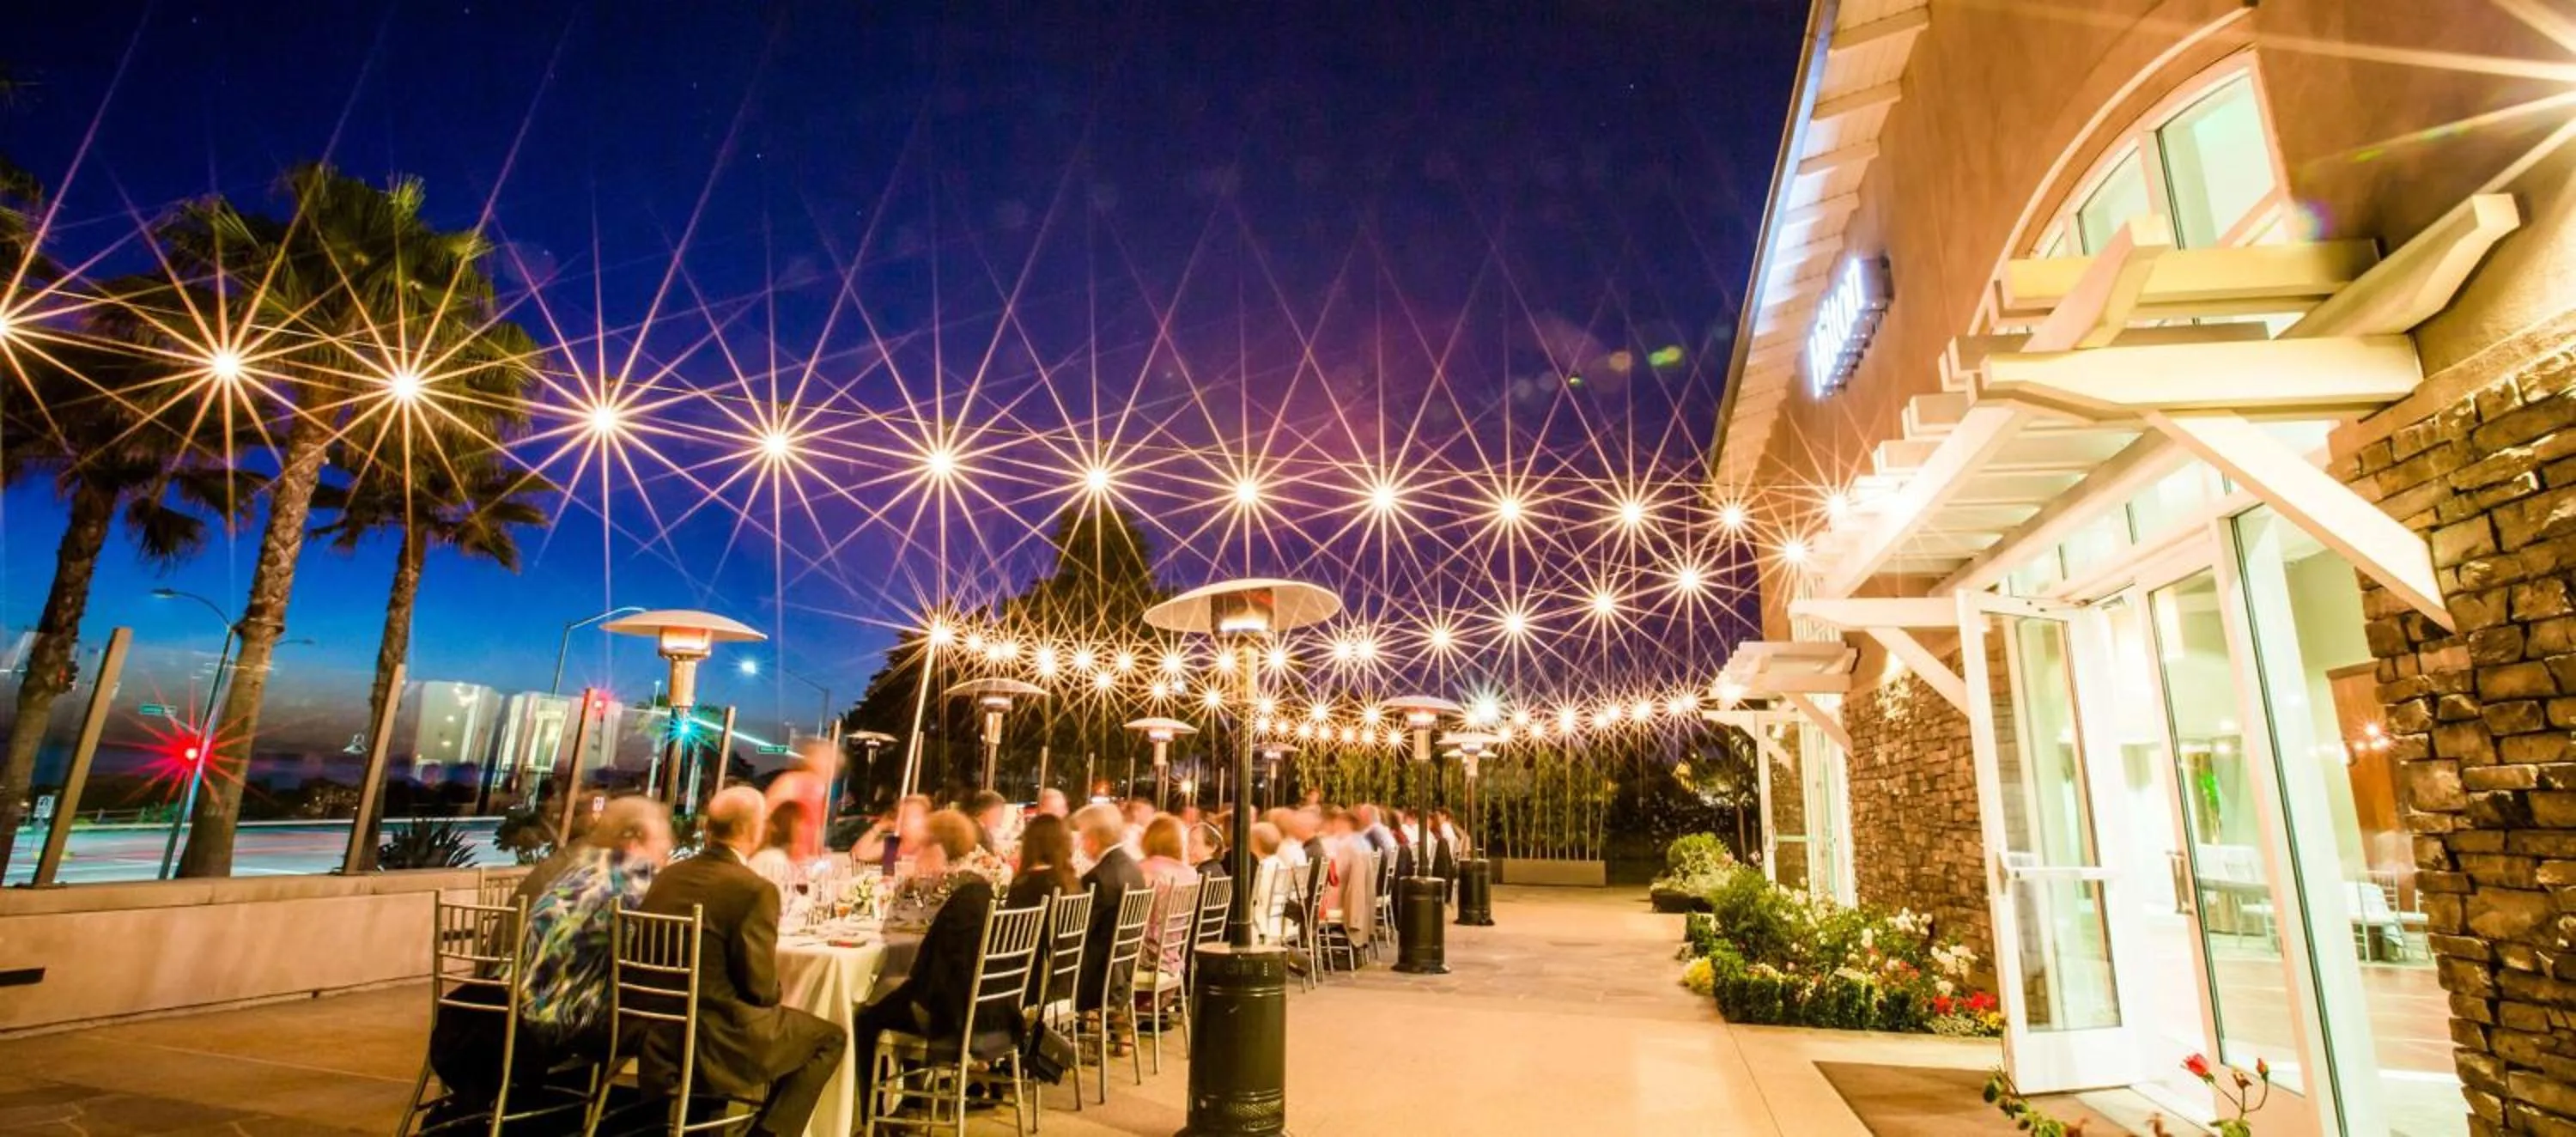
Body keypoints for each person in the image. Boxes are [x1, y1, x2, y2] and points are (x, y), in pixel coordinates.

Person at [636, 787, 845, 1137]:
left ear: (709, 827)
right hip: (715, 1037)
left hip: (654, 1030)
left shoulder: (667, 876)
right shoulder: (753, 889)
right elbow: (759, 989)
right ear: (753, 829)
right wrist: (779, 992)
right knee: (829, 1038)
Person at [434, 796, 670, 1103]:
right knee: (674, 1023)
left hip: (507, 1007)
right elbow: (650, 955)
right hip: (564, 1022)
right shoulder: (636, 880)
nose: (668, 847)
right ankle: (664, 1110)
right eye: (663, 838)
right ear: (635, 839)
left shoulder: (577, 870)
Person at [849, 810, 1003, 1117]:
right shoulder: (978, 885)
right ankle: (910, 1096)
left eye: (925, 843)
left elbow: (897, 935)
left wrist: (914, 884)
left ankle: (872, 1115)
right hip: (984, 1007)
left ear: (937, 845)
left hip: (948, 1014)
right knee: (898, 992)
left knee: (865, 1018)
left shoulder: (949, 886)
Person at [1073, 804, 1146, 1032]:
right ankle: (1116, 1026)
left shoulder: (1098, 877)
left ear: (1094, 838)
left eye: (1082, 836)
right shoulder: (1133, 867)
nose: (1081, 843)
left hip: (1098, 971)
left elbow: (1080, 930)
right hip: (1123, 965)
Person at [1005, 813, 1081, 1004]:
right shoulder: (1071, 882)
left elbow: (1012, 939)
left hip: (1031, 980)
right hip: (1064, 977)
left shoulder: (1026, 885)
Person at [762, 737, 838, 861]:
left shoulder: (820, 787)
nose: (831, 766)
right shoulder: (790, 781)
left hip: (804, 859)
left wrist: (817, 850)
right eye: (826, 759)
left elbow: (815, 826)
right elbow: (766, 816)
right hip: (783, 856)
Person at [854, 794, 930, 873]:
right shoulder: (893, 844)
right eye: (900, 816)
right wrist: (879, 827)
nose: (901, 820)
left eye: (908, 816)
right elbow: (858, 855)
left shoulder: (931, 846)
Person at [747, 800, 807, 891]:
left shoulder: (773, 856)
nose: (803, 829)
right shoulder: (774, 860)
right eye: (800, 822)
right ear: (787, 826)